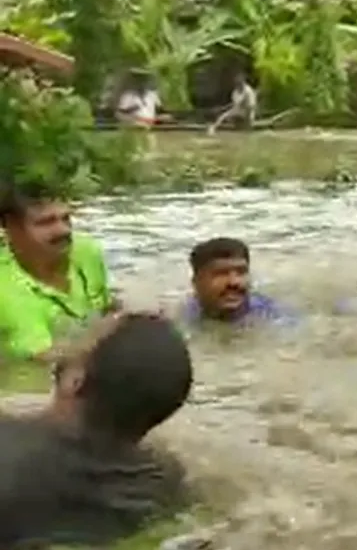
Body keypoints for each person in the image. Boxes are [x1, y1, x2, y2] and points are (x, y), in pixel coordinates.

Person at [0, 312, 191, 546]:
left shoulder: (7, 451)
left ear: (75, 380)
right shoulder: (164, 482)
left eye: (88, 336)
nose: (77, 338)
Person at [0, 181, 116, 360]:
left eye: (66, 219)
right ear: (10, 228)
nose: (64, 230)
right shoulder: (4, 288)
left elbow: (107, 308)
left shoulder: (86, 251)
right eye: (45, 223)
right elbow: (44, 358)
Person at [181, 237, 291, 325]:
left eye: (241, 272)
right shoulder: (181, 319)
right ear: (196, 282)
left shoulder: (276, 319)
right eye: (221, 274)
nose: (234, 282)